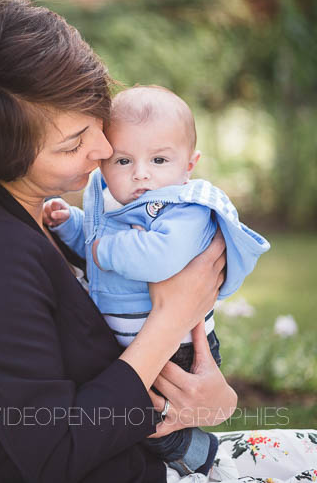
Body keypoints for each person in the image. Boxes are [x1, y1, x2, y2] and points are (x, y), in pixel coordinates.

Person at [0, 0, 317, 483]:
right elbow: (56, 452)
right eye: (73, 144)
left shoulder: (48, 211)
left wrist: (212, 396)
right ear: (4, 158)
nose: (104, 148)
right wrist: (174, 316)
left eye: (96, 122)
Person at [43, 85, 270, 476]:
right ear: (103, 164)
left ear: (189, 165)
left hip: (178, 349)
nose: (141, 173)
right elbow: (95, 244)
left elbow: (155, 257)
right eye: (124, 160)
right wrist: (71, 226)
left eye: (159, 159)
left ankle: (196, 455)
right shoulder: (115, 202)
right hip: (134, 338)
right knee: (124, 415)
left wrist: (103, 250)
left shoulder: (184, 209)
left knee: (153, 420)